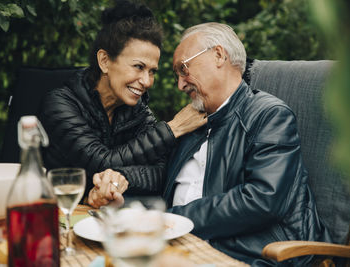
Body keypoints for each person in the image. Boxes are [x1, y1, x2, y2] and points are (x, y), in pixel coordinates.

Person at [160, 23, 331, 266]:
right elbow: (161, 175)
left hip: (254, 253)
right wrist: (119, 185)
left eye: (184, 69)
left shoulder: (270, 115)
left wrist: (172, 220)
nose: (180, 84)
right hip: (181, 246)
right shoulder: (192, 121)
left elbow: (262, 200)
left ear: (219, 55)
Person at [38, 0, 206, 207]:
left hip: (101, 215)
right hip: (53, 213)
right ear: (105, 61)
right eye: (138, 66)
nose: (146, 81)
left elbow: (163, 172)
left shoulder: (138, 111)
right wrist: (174, 128)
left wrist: (120, 179)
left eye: (152, 71)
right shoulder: (60, 104)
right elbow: (101, 162)